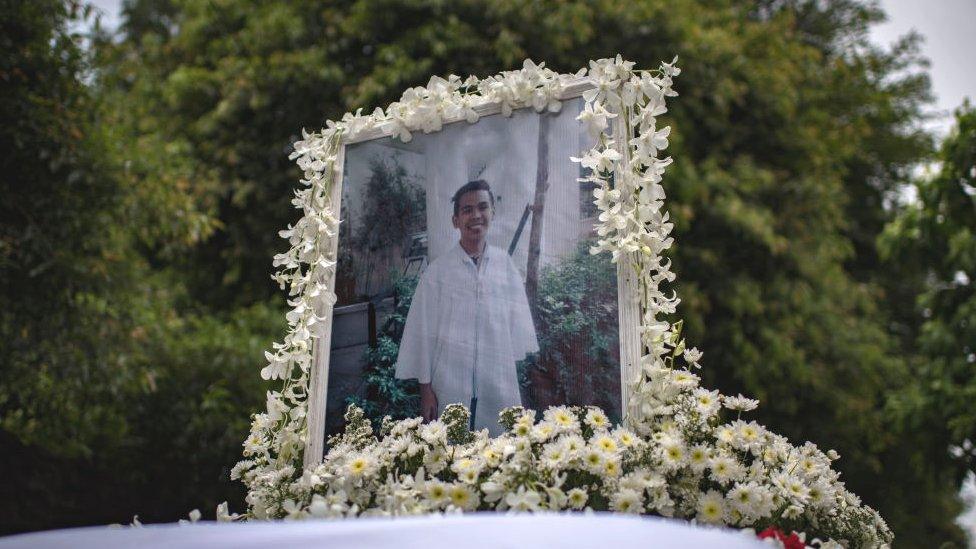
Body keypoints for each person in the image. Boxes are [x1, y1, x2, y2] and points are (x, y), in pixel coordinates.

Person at [395, 180, 539, 435]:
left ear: (492, 213)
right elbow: (423, 332)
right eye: (467, 210)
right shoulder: (437, 272)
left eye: (483, 207)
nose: (476, 215)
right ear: (455, 220)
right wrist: (426, 390)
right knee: (452, 447)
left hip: (497, 375)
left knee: (501, 443)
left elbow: (516, 326)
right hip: (449, 378)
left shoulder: (504, 266)